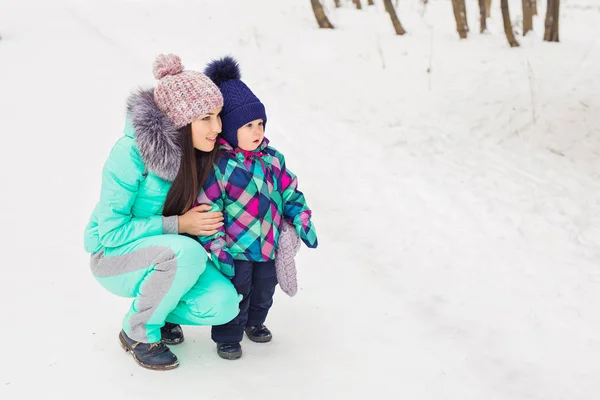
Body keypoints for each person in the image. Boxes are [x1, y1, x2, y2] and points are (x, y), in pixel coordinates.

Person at [83, 54, 240, 371]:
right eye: (207, 118)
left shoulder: (202, 154)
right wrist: (180, 224)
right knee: (187, 254)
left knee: (224, 304)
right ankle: (138, 332)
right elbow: (111, 232)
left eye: (219, 115)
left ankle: (157, 307)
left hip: (168, 254)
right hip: (112, 255)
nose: (217, 127)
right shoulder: (129, 154)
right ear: (182, 121)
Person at [197, 56, 318, 360]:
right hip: (236, 248)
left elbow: (290, 192)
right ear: (230, 129)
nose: (256, 131)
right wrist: (218, 246)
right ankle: (227, 335)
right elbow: (209, 208)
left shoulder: (274, 159)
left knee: (265, 289)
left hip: (269, 244)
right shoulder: (219, 167)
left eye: (260, 124)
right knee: (238, 291)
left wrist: (301, 219)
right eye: (247, 125)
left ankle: (255, 322)